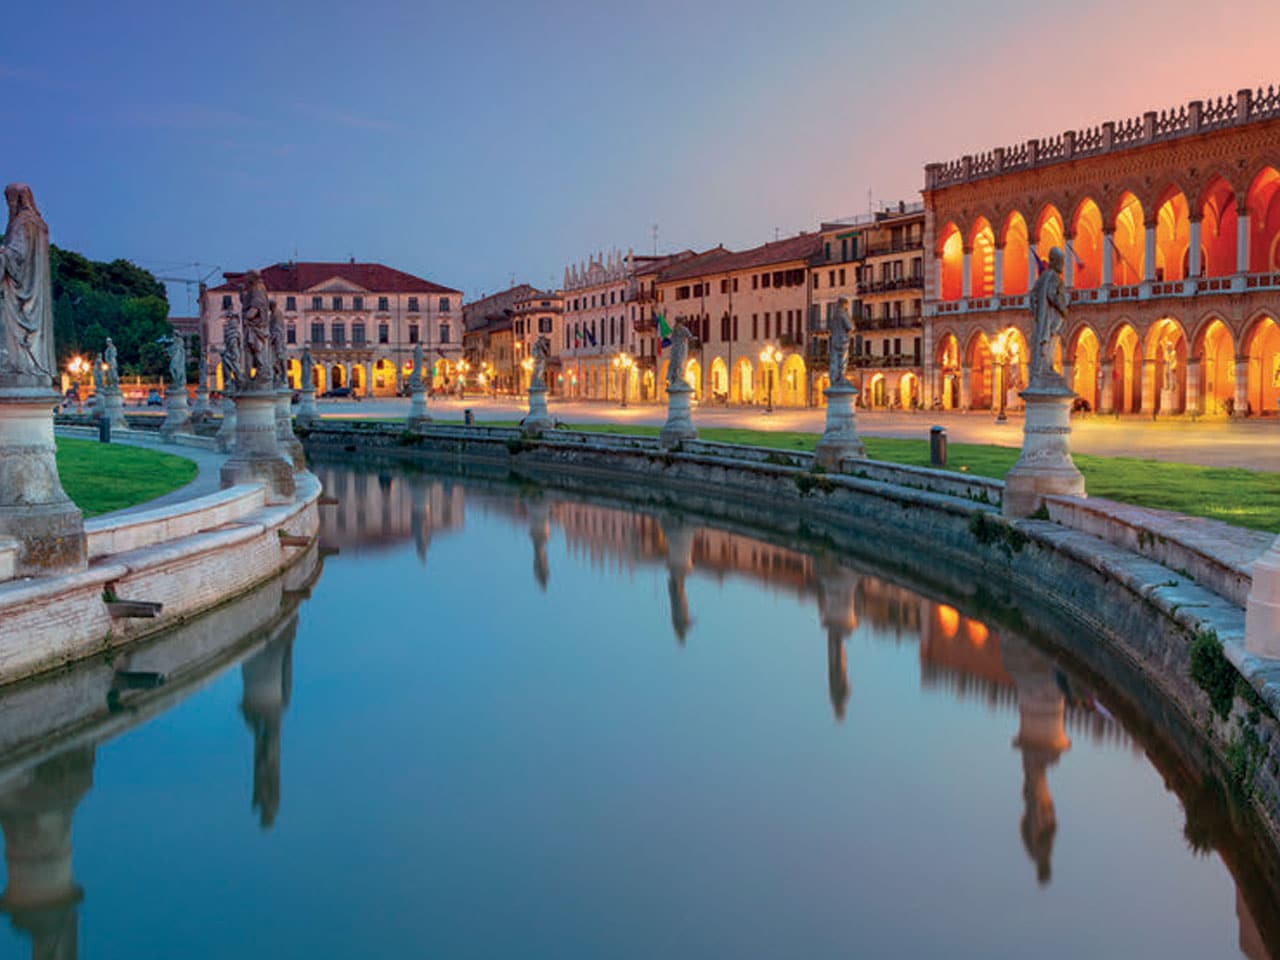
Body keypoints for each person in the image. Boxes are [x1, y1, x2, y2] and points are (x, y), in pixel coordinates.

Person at [0, 183, 54, 384]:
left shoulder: (23, 223)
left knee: (14, 330)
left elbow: (17, 254)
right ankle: (30, 365)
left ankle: (20, 365)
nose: (8, 205)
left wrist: (3, 253)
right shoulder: (39, 225)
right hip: (35, 290)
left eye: (10, 201)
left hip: (20, 289)